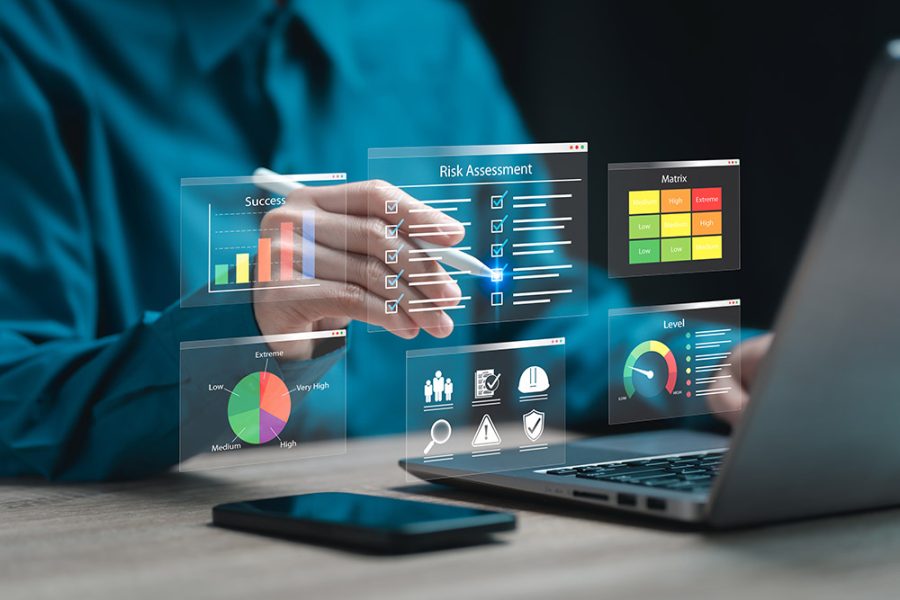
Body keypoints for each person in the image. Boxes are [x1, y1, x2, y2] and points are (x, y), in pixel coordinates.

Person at [0, 1, 766, 480]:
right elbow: (14, 397)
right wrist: (250, 328)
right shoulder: (30, 37)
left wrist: (729, 371)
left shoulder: (420, 26)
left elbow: (540, 331)